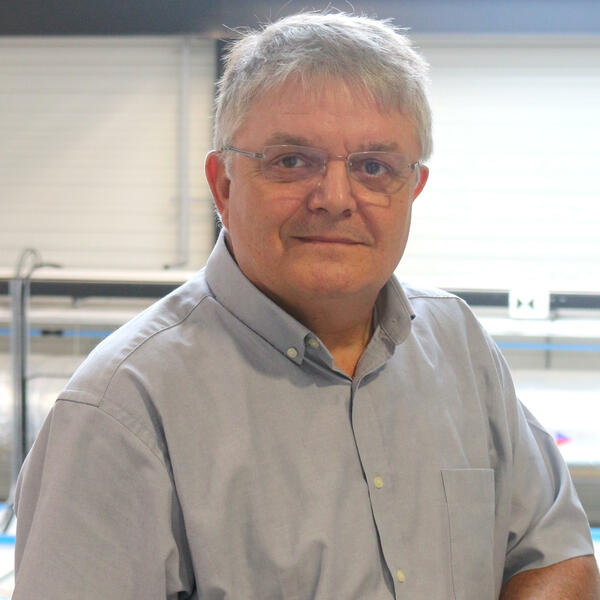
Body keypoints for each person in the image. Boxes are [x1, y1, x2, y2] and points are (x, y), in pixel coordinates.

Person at [12, 11, 599, 600]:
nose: (336, 199)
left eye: (374, 167)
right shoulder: (121, 412)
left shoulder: (460, 348)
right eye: (292, 161)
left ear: (413, 188)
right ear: (223, 185)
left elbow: (555, 555)